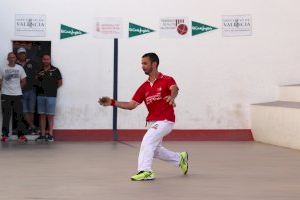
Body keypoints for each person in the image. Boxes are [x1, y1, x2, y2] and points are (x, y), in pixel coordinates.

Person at [99, 53, 188, 181]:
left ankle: (145, 171)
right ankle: (179, 158)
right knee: (155, 150)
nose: (142, 66)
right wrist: (112, 102)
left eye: (145, 63)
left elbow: (175, 89)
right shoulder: (144, 87)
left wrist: (172, 96)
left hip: (165, 119)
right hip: (152, 121)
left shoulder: (167, 79)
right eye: (142, 64)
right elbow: (131, 105)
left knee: (148, 140)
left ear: (154, 64)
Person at [0, 52, 28, 143]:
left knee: (19, 116)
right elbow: (0, 81)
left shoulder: (20, 68)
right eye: (10, 57)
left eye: (13, 57)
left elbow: (24, 81)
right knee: (6, 116)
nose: (12, 59)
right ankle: (4, 135)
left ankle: (21, 135)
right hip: (5, 95)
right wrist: (2, 91)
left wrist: (17, 88)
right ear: (8, 59)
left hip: (17, 95)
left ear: (15, 58)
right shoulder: (3, 68)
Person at [35, 54, 62, 142]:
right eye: (44, 59)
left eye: (47, 59)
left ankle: (50, 134)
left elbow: (60, 82)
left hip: (51, 96)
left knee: (50, 116)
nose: (46, 60)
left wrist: (51, 89)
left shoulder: (55, 70)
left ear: (50, 60)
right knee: (42, 115)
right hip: (40, 96)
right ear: (42, 60)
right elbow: (36, 81)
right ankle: (42, 135)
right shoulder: (39, 70)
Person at [16, 47, 40, 134]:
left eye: (23, 53)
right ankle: (33, 126)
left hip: (31, 89)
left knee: (31, 110)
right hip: (20, 90)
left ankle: (31, 128)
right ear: (17, 55)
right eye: (20, 53)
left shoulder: (32, 63)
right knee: (24, 110)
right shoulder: (16, 65)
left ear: (26, 54)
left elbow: (38, 73)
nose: (22, 55)